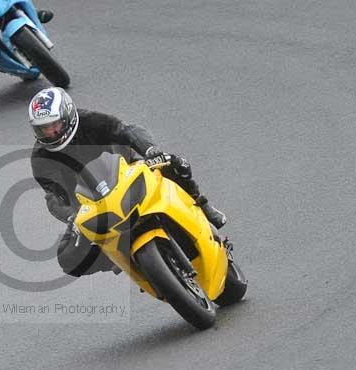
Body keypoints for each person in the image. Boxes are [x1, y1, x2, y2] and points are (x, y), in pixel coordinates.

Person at [29, 87, 228, 277]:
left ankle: (203, 205)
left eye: (54, 124)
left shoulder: (89, 121)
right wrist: (71, 215)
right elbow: (54, 196)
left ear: (67, 116)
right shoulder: (40, 159)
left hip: (127, 171)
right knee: (68, 259)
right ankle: (113, 257)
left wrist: (150, 150)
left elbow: (126, 130)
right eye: (44, 129)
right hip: (92, 205)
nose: (51, 132)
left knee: (175, 164)